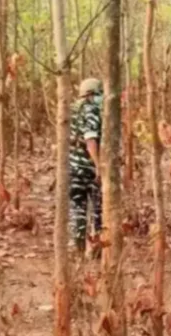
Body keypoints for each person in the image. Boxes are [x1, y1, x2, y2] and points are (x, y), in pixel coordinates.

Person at [68, 78, 103, 256]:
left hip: (72, 166)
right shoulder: (92, 110)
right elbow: (90, 139)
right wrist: (98, 165)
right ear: (93, 93)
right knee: (97, 208)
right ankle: (96, 248)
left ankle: (79, 247)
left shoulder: (73, 109)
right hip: (87, 166)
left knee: (77, 207)